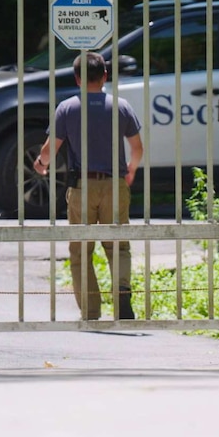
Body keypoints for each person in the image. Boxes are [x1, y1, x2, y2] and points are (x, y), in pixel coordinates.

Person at [33, 51, 144, 320]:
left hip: (83, 187)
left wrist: (41, 164)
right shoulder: (121, 106)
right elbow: (137, 148)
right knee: (118, 245)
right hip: (115, 185)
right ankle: (121, 291)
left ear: (77, 79)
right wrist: (130, 170)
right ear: (105, 76)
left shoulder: (67, 108)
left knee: (81, 251)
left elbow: (50, 150)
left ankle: (91, 311)